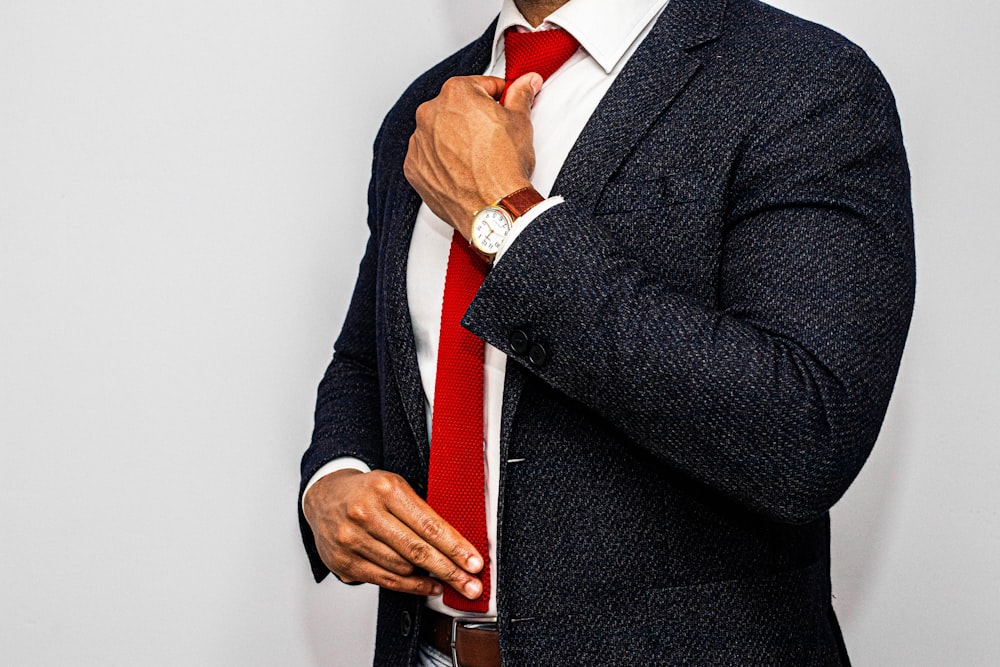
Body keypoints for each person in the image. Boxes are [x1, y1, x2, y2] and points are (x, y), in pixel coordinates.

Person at [299, 0, 915, 664]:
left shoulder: (805, 81)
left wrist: (503, 217)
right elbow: (370, 354)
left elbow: (806, 430)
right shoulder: (422, 113)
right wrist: (333, 480)